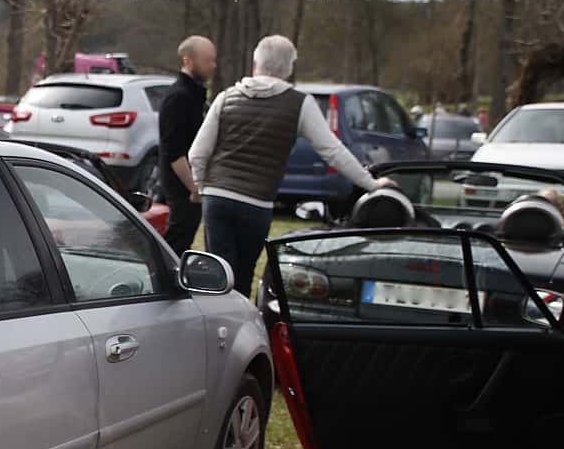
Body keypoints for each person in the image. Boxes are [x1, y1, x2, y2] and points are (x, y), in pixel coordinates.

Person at [187, 34, 393, 298]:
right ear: (289, 68)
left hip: (218, 197)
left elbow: (197, 153)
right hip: (257, 202)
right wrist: (372, 184)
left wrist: (205, 188)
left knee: (218, 274)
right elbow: (332, 151)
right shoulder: (299, 104)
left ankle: (214, 328)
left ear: (255, 63)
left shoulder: (226, 97)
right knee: (244, 273)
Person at [155, 35, 214, 253]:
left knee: (184, 241)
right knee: (175, 246)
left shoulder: (195, 95)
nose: (212, 66)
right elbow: (173, 150)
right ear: (188, 60)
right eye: (208, 60)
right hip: (180, 189)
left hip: (189, 186)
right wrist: (193, 187)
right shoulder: (178, 97)